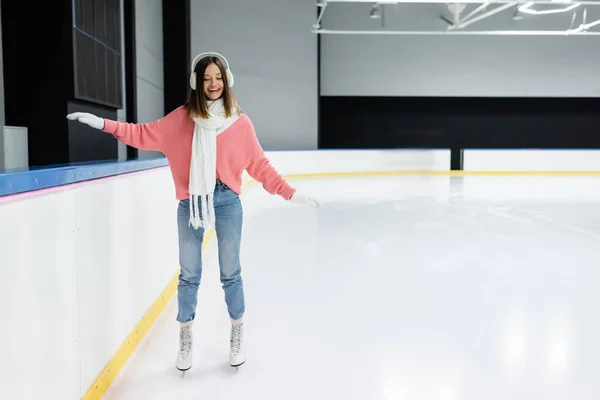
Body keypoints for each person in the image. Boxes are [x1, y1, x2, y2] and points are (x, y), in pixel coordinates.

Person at [66, 52, 320, 372]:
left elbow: (259, 165)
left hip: (227, 200)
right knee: (189, 274)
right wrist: (103, 123)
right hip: (191, 203)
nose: (213, 84)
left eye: (217, 77)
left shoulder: (239, 122)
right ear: (196, 83)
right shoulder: (181, 120)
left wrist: (290, 193)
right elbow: (140, 133)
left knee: (231, 272)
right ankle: (185, 339)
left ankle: (236, 333)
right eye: (206, 78)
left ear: (226, 80)